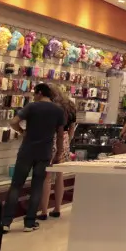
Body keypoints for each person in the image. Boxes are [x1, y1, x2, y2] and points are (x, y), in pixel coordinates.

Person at [2, 84, 67, 233]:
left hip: (27, 151)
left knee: (16, 185)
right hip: (44, 153)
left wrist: (22, 131)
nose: (33, 96)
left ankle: (5, 222)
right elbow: (60, 134)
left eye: (34, 93)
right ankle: (29, 222)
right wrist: (59, 154)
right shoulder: (58, 110)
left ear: (39, 93)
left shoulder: (32, 107)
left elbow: (13, 122)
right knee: (37, 186)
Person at [39, 91, 78, 220]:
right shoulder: (71, 106)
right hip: (65, 139)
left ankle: (43, 211)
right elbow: (72, 128)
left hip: (51, 138)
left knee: (47, 176)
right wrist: (68, 142)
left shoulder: (52, 107)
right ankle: (57, 208)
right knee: (60, 175)